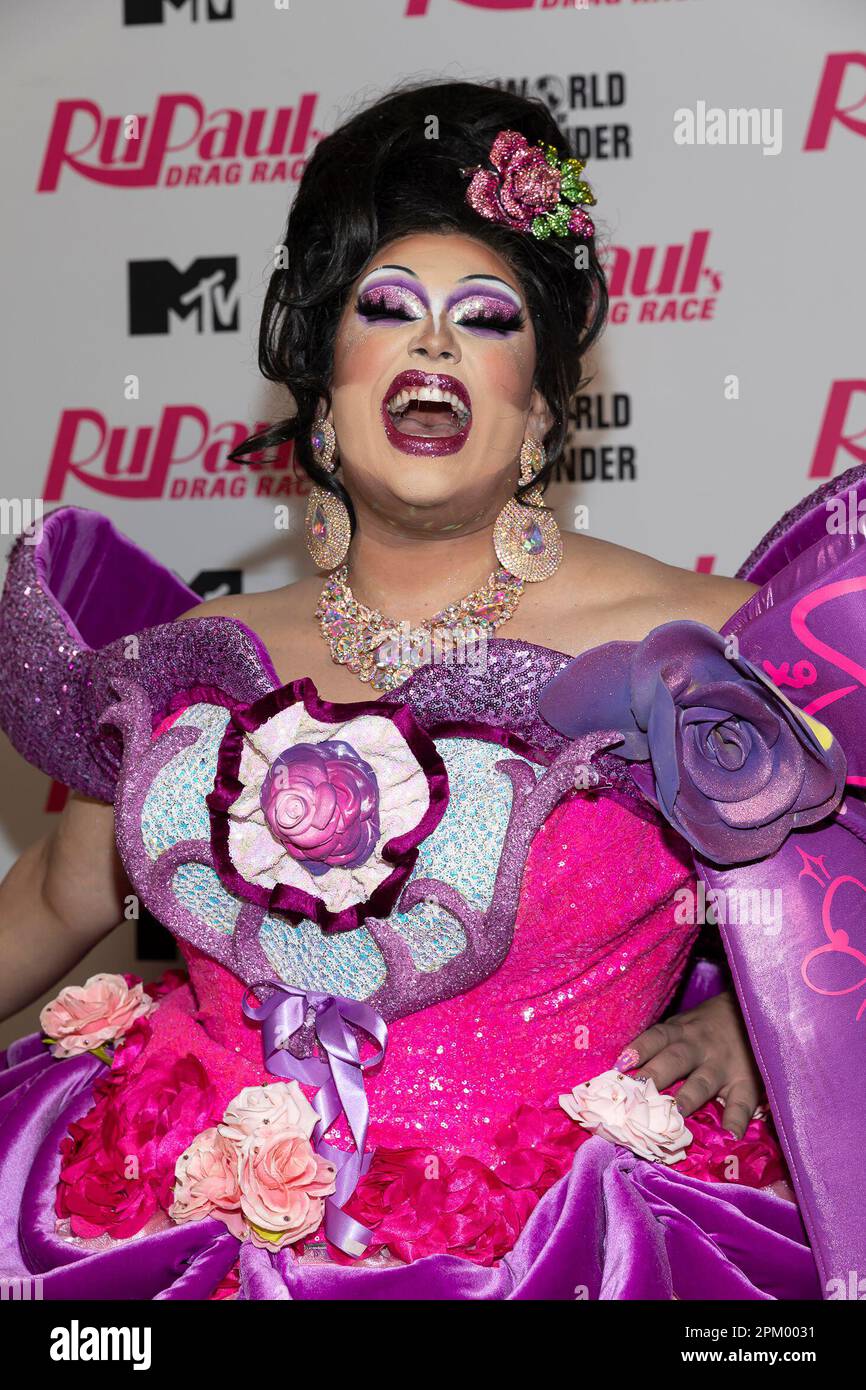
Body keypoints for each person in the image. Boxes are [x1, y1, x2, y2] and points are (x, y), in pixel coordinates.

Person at [0, 79, 862, 1301]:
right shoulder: (193, 654)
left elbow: (839, 916)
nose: (434, 346)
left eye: (487, 319)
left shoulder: (701, 645)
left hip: (568, 1249)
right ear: (321, 381)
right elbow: (52, 891)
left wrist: (764, 1033)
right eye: (387, 308)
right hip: (179, 1223)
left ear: (543, 406)